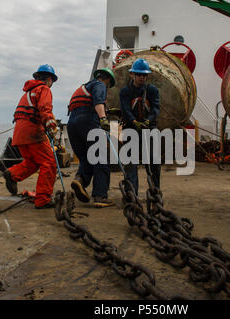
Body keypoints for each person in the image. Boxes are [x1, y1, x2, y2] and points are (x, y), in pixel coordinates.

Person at [3, 64, 58, 209]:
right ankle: (43, 200)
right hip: (33, 132)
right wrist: (51, 126)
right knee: (49, 163)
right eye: (52, 81)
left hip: (19, 134)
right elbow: (45, 109)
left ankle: (13, 174)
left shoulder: (27, 93)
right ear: (49, 79)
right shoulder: (43, 89)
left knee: (33, 161)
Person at [67, 68, 116, 208]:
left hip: (72, 125)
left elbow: (85, 104)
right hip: (88, 122)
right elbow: (98, 103)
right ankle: (100, 196)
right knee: (101, 160)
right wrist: (104, 119)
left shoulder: (83, 87)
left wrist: (107, 111)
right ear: (107, 81)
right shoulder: (99, 85)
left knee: (87, 158)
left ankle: (79, 180)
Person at [119, 58, 160, 195]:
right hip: (131, 129)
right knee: (131, 162)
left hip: (149, 128)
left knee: (154, 161)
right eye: (139, 75)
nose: (141, 77)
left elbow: (156, 108)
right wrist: (134, 121)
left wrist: (148, 120)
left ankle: (155, 191)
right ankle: (132, 194)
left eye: (144, 75)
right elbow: (125, 109)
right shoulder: (125, 92)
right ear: (132, 75)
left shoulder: (152, 91)